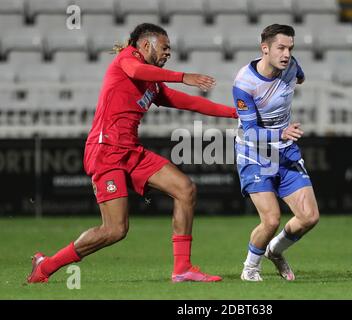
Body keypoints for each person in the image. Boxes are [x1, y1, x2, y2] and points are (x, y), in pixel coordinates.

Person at [27, 23, 237, 284]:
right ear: (146, 45)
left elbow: (189, 102)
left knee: (185, 189)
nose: (168, 52)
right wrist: (183, 76)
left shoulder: (152, 82)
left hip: (130, 151)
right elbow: (136, 69)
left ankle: (182, 269)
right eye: (165, 47)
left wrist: (235, 113)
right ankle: (46, 266)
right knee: (115, 230)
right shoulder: (127, 58)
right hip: (105, 150)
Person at [232, 24, 320, 281]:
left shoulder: (291, 66)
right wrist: (279, 133)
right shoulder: (244, 83)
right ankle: (250, 268)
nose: (286, 54)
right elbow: (249, 132)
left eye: (290, 48)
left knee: (309, 217)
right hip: (254, 153)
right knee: (271, 220)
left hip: (285, 151)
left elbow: (299, 76)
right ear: (265, 49)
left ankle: (275, 250)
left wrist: (283, 137)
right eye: (280, 48)